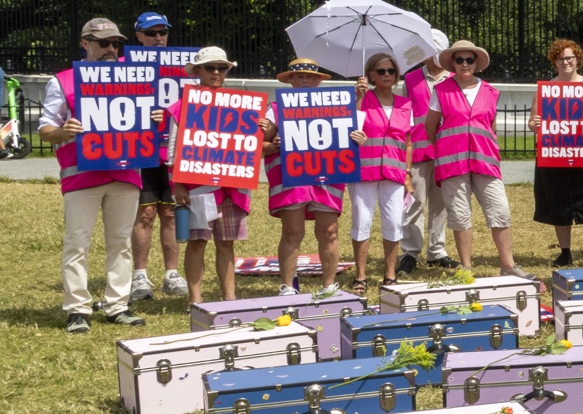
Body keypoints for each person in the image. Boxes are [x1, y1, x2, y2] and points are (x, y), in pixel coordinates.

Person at [42, 17, 146, 332]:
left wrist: (155, 115)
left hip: (125, 173)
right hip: (81, 175)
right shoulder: (63, 81)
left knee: (120, 242)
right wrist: (62, 131)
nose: (111, 49)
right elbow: (45, 128)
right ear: (86, 44)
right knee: (77, 242)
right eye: (104, 43)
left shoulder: (136, 80)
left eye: (116, 43)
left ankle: (118, 305)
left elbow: (149, 121)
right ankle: (77, 309)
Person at [419, 39, 529, 278]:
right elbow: (430, 127)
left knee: (499, 210)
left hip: (484, 160)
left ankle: (508, 266)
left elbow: (490, 126)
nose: (464, 64)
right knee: (460, 215)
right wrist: (446, 148)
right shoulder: (441, 91)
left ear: (477, 63)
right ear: (453, 64)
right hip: (452, 163)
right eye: (459, 60)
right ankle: (466, 267)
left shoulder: (490, 92)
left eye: (469, 60)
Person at [261, 57, 349, 297]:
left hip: (326, 175)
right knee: (292, 232)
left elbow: (348, 138)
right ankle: (287, 287)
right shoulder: (276, 108)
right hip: (292, 177)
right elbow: (260, 144)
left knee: (329, 230)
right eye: (299, 76)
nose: (305, 80)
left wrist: (357, 137)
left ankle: (329, 286)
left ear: (318, 81)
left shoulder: (336, 106)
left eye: (310, 76)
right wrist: (273, 144)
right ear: (290, 80)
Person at [167, 46, 248, 307]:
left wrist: (258, 128)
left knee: (226, 244)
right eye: (210, 67)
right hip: (197, 186)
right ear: (198, 71)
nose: (216, 72)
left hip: (230, 186)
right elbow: (173, 149)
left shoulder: (240, 105)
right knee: (197, 242)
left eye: (221, 68)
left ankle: (230, 300)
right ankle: (195, 301)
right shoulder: (183, 106)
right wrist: (178, 184)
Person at [527, 38, 583, 266]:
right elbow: (532, 123)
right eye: (560, 59)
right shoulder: (545, 89)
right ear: (555, 62)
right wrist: (535, 124)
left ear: (578, 60)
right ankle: (565, 252)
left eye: (569, 58)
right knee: (558, 204)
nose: (565, 62)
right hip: (554, 155)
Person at [126, 12, 188, 304]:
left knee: (171, 212)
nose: (158, 38)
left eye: (163, 32)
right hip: (142, 149)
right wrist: (142, 115)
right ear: (138, 36)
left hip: (175, 149)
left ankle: (171, 274)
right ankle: (139, 275)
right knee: (145, 214)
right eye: (151, 33)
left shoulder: (184, 67)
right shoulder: (125, 66)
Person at [348, 51, 413, 288]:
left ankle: (389, 274)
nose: (387, 75)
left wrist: (407, 173)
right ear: (371, 75)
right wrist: (358, 97)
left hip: (394, 173)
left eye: (391, 71)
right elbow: (350, 126)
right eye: (381, 71)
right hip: (364, 170)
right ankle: (361, 276)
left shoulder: (406, 104)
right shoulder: (361, 99)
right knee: (362, 221)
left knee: (394, 222)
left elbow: (407, 142)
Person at [396, 29, 452, 273]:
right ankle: (410, 251)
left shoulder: (454, 77)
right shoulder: (411, 79)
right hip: (418, 148)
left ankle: (437, 250)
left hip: (446, 148)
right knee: (414, 199)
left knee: (441, 202)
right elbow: (404, 113)